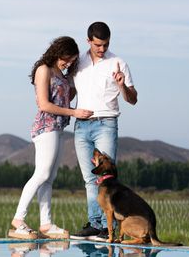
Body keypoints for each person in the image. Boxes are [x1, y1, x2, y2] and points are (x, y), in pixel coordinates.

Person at [8, 36, 94, 240]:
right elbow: (44, 105)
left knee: (49, 178)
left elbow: (64, 97)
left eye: (72, 60)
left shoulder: (61, 74)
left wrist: (73, 82)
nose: (69, 63)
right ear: (58, 52)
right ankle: (18, 220)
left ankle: (46, 223)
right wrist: (74, 113)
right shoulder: (43, 70)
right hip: (45, 126)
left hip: (58, 127)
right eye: (67, 59)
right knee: (42, 173)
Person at [70, 22, 138, 242]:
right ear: (88, 40)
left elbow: (133, 99)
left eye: (106, 44)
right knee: (90, 179)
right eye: (98, 45)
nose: (102, 49)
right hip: (81, 125)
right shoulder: (77, 62)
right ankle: (95, 224)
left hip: (106, 123)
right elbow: (70, 92)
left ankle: (106, 229)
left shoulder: (118, 62)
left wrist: (121, 86)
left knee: (106, 178)